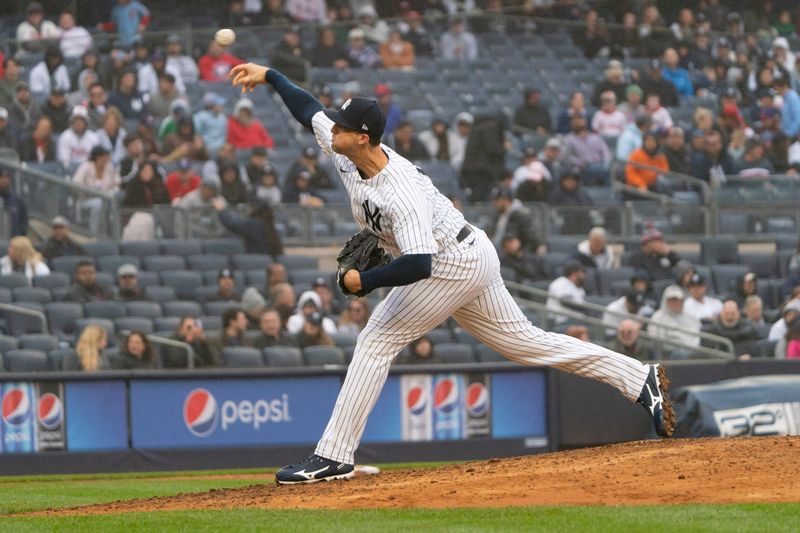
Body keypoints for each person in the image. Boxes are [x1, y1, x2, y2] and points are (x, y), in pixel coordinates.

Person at [228, 61, 675, 484]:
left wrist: (364, 282)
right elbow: (307, 108)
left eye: (341, 126)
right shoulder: (348, 149)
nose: (332, 129)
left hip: (451, 261)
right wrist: (270, 75)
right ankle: (639, 378)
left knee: (377, 337)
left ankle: (334, 455)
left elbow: (420, 264)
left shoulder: (399, 193)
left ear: (363, 138)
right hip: (470, 250)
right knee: (527, 343)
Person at [71, 145, 120, 234]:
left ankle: (113, 234)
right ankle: (94, 234)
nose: (107, 158)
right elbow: (76, 183)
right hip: (85, 199)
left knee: (113, 204)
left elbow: (116, 182)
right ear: (98, 157)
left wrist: (113, 191)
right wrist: (89, 191)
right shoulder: (86, 166)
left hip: (106, 199)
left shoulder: (109, 166)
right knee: (98, 203)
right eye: (104, 156)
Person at [212, 198, 284, 258]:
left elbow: (232, 223)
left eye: (251, 207)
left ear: (255, 209)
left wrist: (222, 210)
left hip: (255, 262)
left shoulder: (255, 224)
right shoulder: (268, 224)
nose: (249, 209)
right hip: (263, 262)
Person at [648, 285, 701, 353]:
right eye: (671, 300)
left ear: (682, 301)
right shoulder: (657, 317)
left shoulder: (690, 316)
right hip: (668, 354)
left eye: (677, 300)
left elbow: (696, 336)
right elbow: (656, 339)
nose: (674, 303)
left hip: (693, 352)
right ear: (665, 301)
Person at [485, 186, 538, 253]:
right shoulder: (497, 215)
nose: (494, 203)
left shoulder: (520, 215)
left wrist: (520, 250)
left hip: (515, 256)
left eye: (497, 200)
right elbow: (488, 231)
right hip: (498, 254)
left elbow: (532, 240)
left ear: (506, 200)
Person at [0, 169, 28, 237]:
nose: (4, 180)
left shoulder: (17, 201)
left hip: (13, 241)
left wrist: (19, 235)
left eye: (7, 178)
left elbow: (24, 221)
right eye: (2, 177)